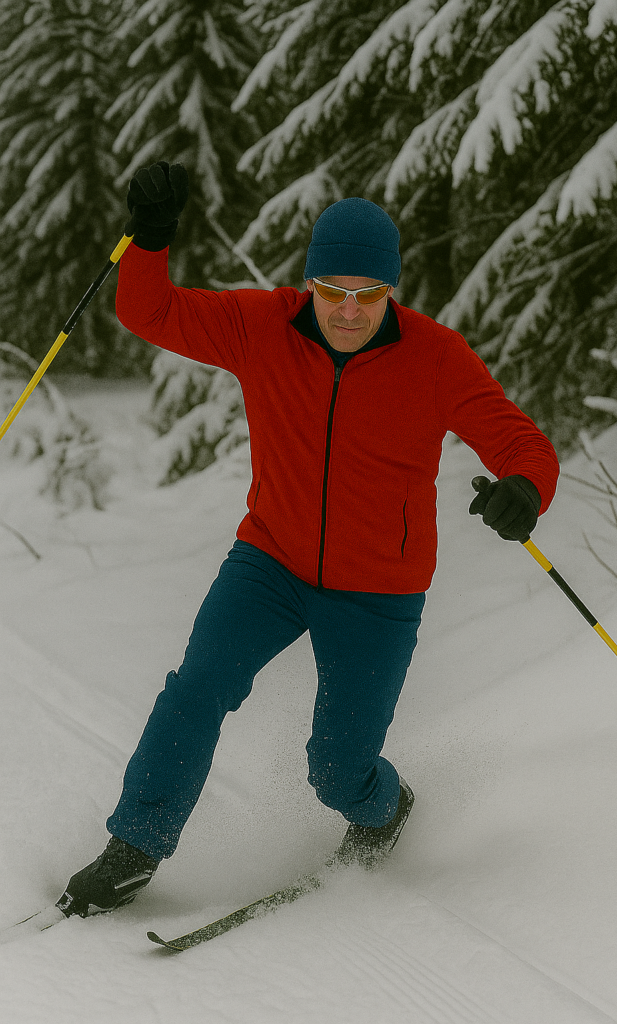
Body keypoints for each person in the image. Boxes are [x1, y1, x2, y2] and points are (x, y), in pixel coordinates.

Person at [56, 162, 559, 919]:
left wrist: (524, 490)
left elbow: (523, 445)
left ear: (391, 291)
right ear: (309, 283)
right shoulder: (262, 326)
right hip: (270, 560)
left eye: (368, 295)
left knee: (335, 770)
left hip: (378, 589)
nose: (348, 311)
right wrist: (151, 239)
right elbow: (149, 313)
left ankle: (383, 810)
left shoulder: (434, 357)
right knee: (195, 690)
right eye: (332, 292)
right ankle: (136, 846)